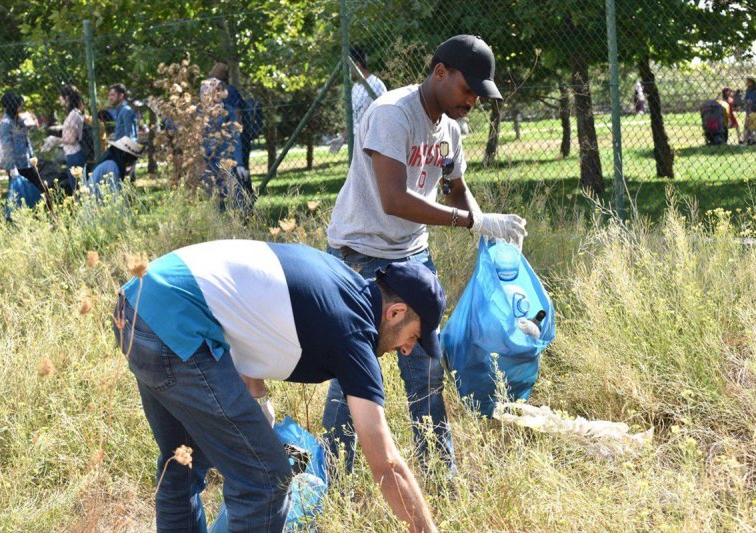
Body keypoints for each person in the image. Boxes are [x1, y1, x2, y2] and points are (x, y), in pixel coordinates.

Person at [113, 240, 442, 532]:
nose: (409, 349)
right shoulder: (353, 333)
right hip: (177, 326)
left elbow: (247, 302)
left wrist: (255, 393)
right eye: (414, 336)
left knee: (182, 464)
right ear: (396, 312)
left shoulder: (339, 282)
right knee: (266, 482)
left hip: (141, 303)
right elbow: (386, 464)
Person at [324, 34, 527, 475]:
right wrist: (472, 221)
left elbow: (455, 190)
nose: (472, 100)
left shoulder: (450, 128)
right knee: (352, 374)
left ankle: (440, 475)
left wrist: (485, 229)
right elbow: (394, 200)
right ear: (439, 72)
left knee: (427, 370)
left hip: (412, 255)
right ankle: (332, 480)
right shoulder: (392, 115)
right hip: (360, 256)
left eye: (479, 94)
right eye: (467, 88)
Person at [209, 62, 263, 198]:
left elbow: (237, 116)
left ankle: (245, 204)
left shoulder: (229, 92)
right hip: (228, 141)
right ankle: (243, 202)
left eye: (213, 72)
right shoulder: (215, 93)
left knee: (239, 172)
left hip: (236, 140)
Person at [199, 77, 251, 210]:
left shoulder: (228, 111)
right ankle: (217, 227)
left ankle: (241, 224)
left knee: (238, 199)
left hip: (228, 162)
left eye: (221, 90)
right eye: (215, 90)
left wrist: (239, 163)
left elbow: (235, 137)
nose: (219, 94)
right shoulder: (199, 113)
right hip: (206, 164)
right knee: (213, 202)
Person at [330, 46, 388, 153]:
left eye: (348, 66)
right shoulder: (355, 88)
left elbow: (384, 115)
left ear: (357, 65)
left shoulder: (376, 84)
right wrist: (342, 137)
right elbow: (355, 118)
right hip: (357, 141)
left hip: (373, 142)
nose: (347, 71)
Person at [42, 84, 86, 190]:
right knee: (78, 186)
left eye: (60, 97)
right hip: (74, 154)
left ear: (66, 98)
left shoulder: (73, 115)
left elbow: (70, 139)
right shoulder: (76, 113)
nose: (59, 99)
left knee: (76, 188)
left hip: (74, 155)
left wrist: (54, 140)